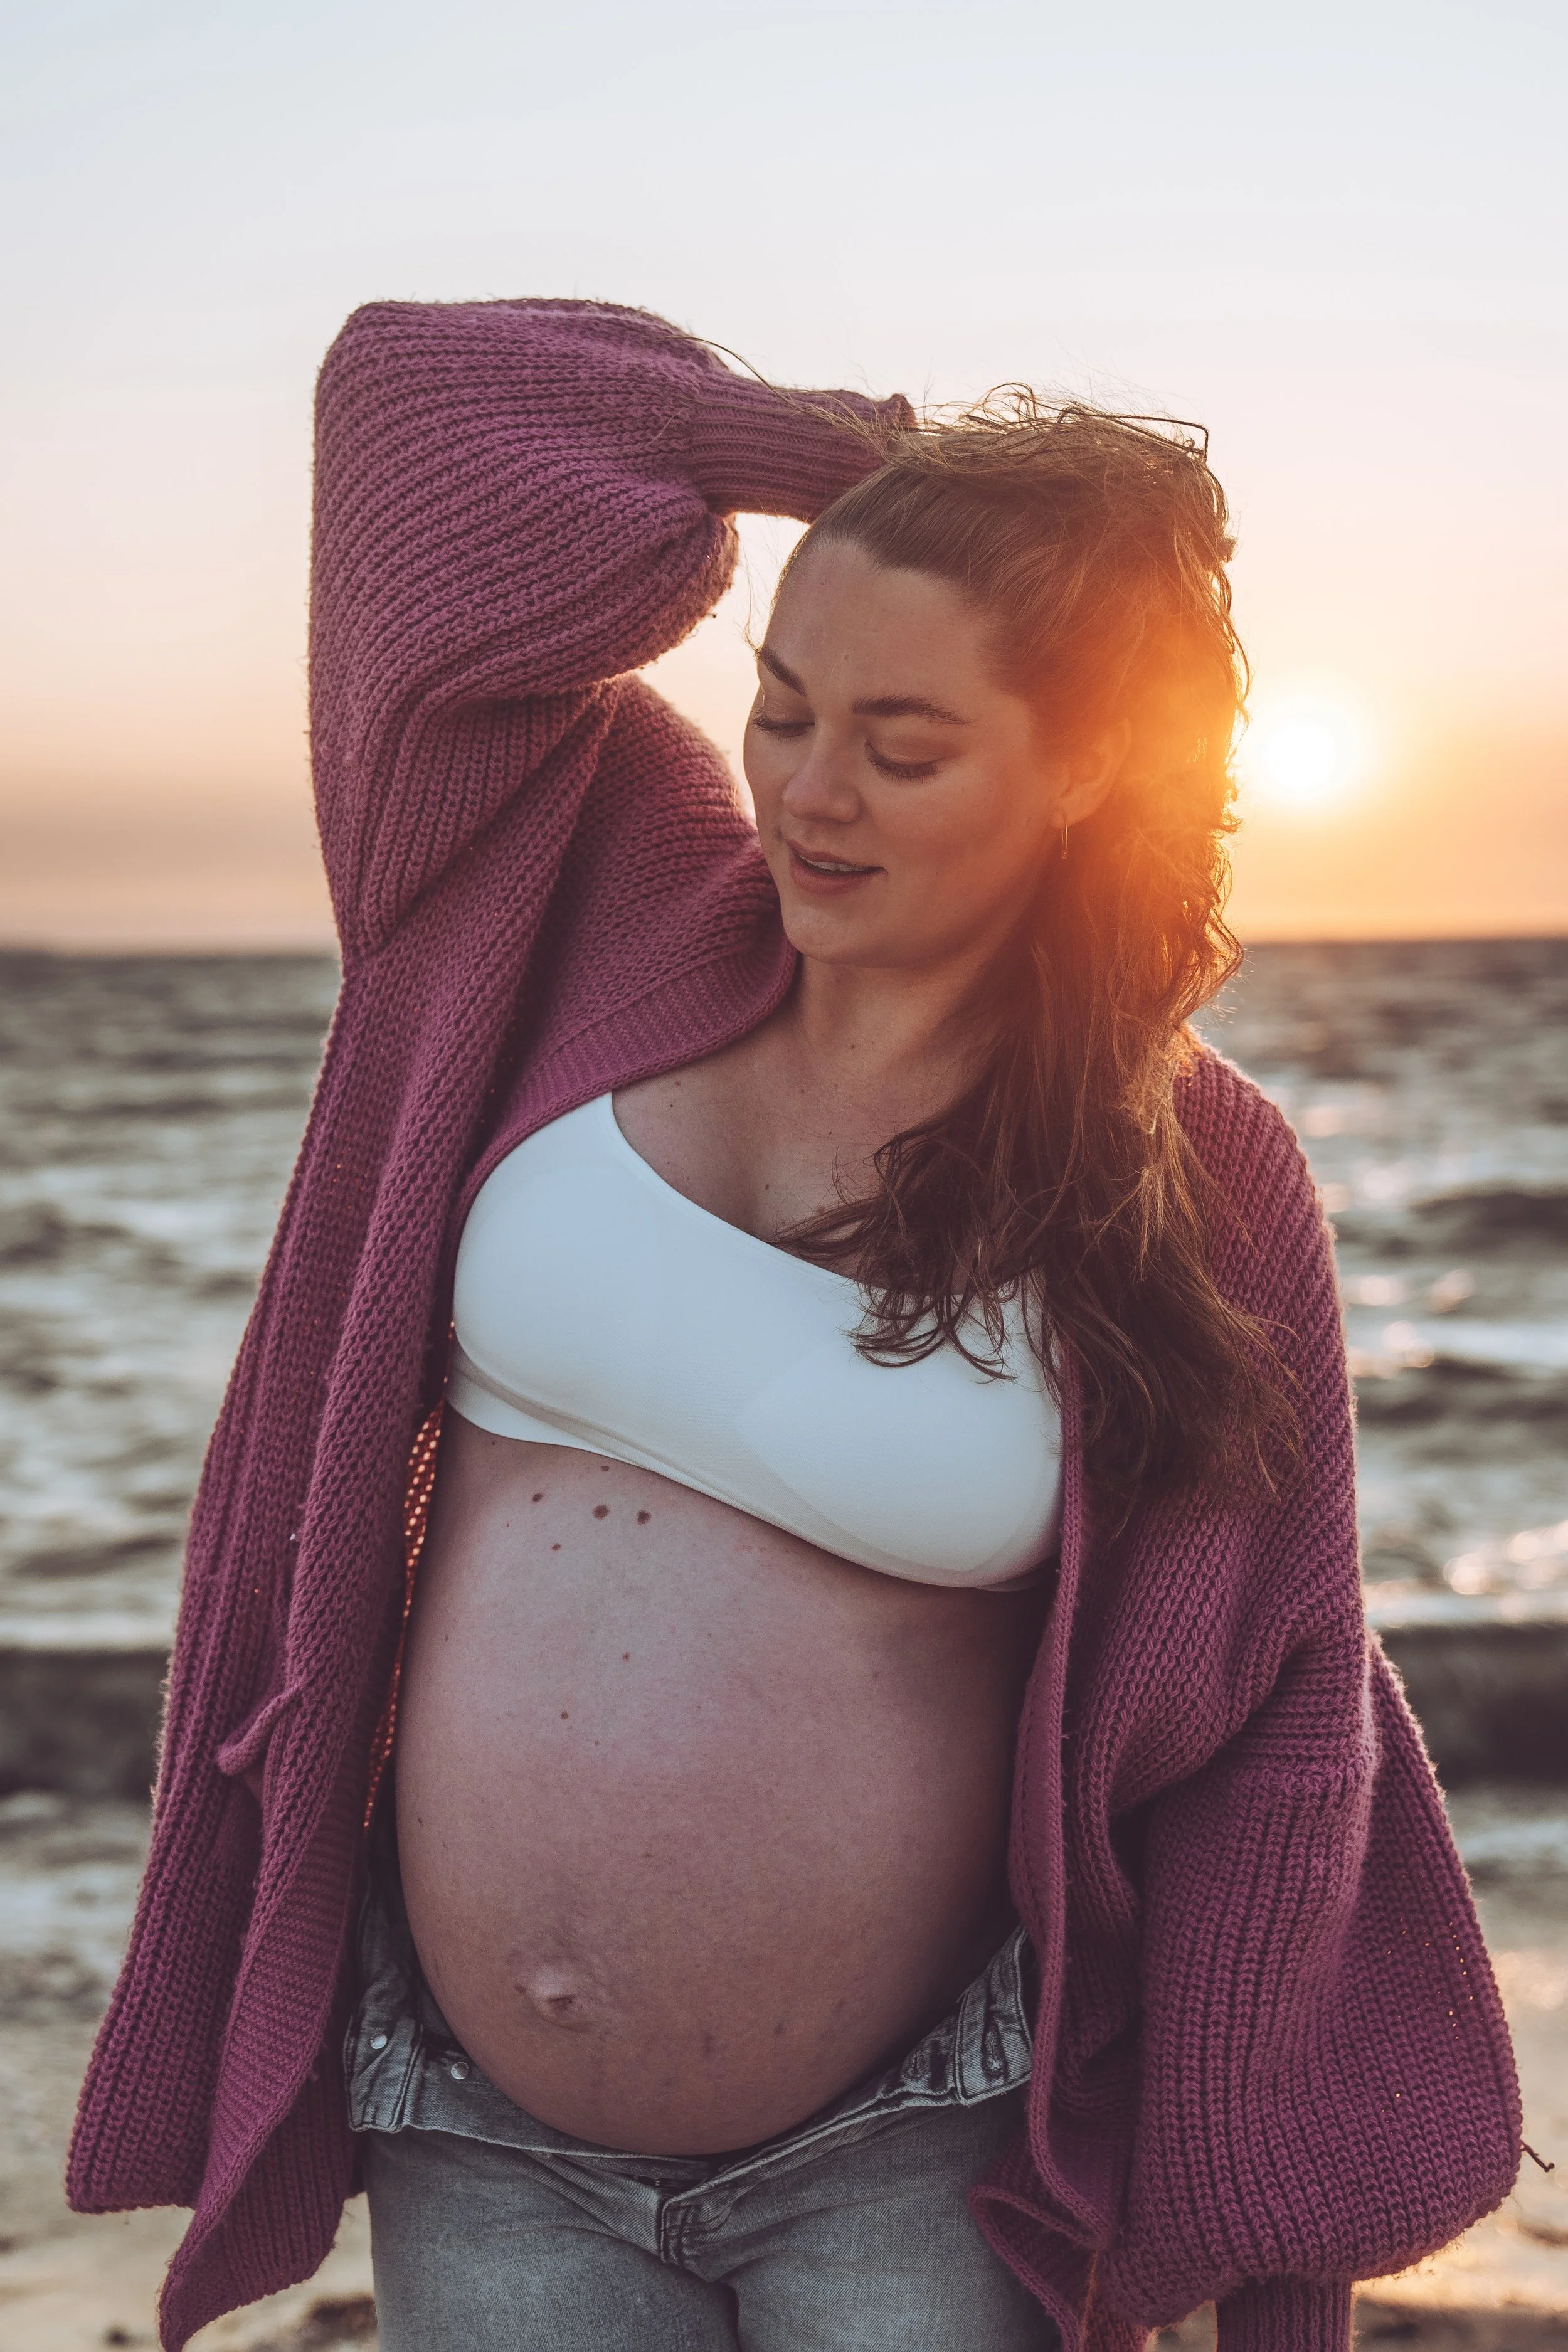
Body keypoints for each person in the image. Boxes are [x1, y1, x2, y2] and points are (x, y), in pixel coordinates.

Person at [70, 299, 1519, 2352]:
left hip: (923, 2161)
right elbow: (408, 401)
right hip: (471, 2136)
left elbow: (1271, 1735)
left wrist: (1270, 2280)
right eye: (782, 703)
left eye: (902, 742)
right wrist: (843, 459)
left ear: (1087, 760)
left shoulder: (1184, 1167)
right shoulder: (580, 877)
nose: (808, 792)